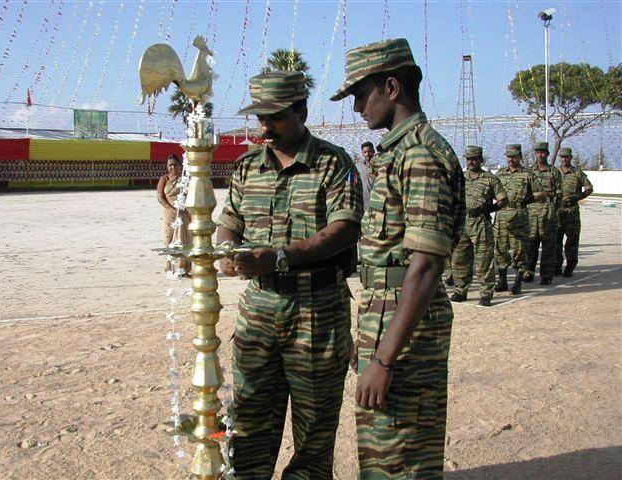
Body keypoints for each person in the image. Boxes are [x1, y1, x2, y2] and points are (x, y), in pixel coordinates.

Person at [216, 70, 363, 479]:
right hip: (259, 312)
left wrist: (279, 257)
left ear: (301, 111)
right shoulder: (247, 167)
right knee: (247, 424)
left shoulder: (333, 163)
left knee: (314, 435)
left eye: (275, 117)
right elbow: (228, 220)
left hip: (316, 313)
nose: (264, 127)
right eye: (260, 117)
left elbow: (345, 229)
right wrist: (228, 249)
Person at [330, 38, 465, 479]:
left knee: (400, 456)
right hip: (386, 317)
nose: (355, 108)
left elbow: (424, 268)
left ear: (391, 87)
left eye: (359, 95)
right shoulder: (398, 152)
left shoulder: (421, 155)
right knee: (384, 452)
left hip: (404, 333)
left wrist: (385, 360)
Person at [451, 146, 507, 306]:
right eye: (468, 159)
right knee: (459, 259)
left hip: (480, 223)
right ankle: (460, 290)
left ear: (481, 160)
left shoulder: (490, 179)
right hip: (462, 223)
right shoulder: (461, 178)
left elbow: (504, 200)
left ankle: (486, 293)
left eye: (474, 159)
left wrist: (488, 208)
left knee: (484, 260)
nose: (471, 162)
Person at [494, 144, 535, 295]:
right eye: (509, 156)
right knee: (500, 250)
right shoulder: (500, 174)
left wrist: (525, 201)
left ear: (520, 157)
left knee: (519, 250)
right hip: (501, 218)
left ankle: (517, 282)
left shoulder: (527, 175)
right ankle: (503, 281)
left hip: (519, 217)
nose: (511, 159)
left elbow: (539, 193)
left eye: (514, 156)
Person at [523, 141, 562, 285]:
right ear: (535, 154)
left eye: (543, 152)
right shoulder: (528, 172)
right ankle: (529, 272)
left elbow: (559, 194)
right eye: (538, 152)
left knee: (548, 245)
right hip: (531, 212)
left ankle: (546, 275)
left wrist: (552, 208)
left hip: (548, 212)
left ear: (547, 154)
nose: (540, 155)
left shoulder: (554, 172)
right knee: (530, 244)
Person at [555, 147, 593, 277]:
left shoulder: (577, 173)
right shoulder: (555, 173)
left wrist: (577, 197)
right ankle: (556, 266)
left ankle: (570, 267)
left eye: (567, 157)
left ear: (571, 158)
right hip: (557, 212)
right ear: (560, 158)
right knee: (556, 242)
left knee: (571, 242)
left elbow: (589, 188)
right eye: (562, 157)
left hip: (572, 213)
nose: (564, 159)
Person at [156, 154, 192, 275]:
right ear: (167, 167)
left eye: (175, 164)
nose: (173, 167)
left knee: (183, 239)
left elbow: (192, 194)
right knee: (169, 238)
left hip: (184, 213)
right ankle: (169, 267)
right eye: (170, 165)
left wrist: (186, 209)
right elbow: (160, 197)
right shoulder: (164, 179)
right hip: (169, 213)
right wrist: (171, 208)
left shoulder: (185, 179)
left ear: (180, 165)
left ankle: (183, 268)